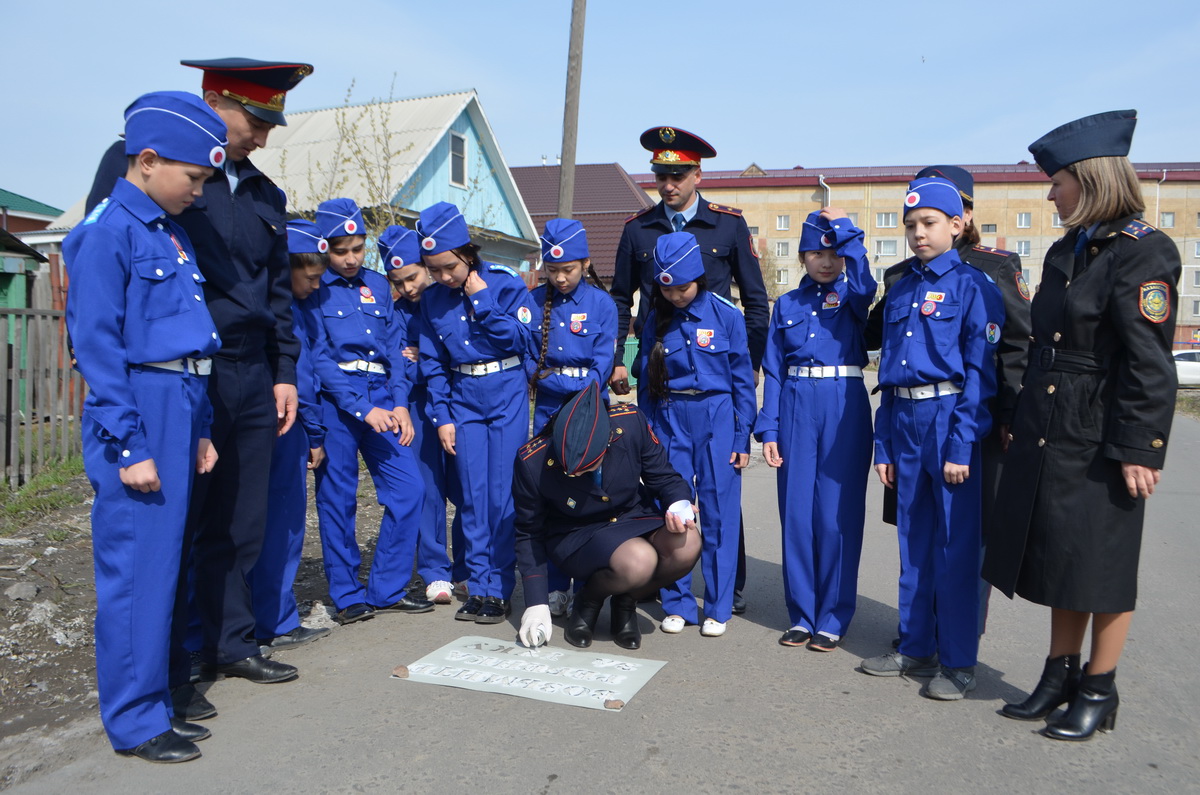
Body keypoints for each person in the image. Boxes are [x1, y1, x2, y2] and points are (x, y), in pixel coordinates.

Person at [85, 58, 314, 697]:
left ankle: (230, 642)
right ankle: (179, 657)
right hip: (179, 374)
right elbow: (110, 270)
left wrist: (284, 369)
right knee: (179, 522)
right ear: (215, 99)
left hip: (250, 372)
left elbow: (275, 294)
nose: (264, 136)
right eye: (257, 119)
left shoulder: (267, 195)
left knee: (244, 518)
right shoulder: (150, 166)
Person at [983, 110, 1180, 740]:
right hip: (1052, 425)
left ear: (1090, 179)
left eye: (1058, 181)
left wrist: (1139, 447)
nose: (1049, 194)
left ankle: (1100, 685)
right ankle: (1057, 674)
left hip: (1103, 430)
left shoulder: (1146, 251)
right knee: (1061, 557)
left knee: (1104, 564)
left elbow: (1150, 364)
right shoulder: (1068, 249)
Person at [66, 91, 226, 763]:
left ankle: (155, 700)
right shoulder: (107, 232)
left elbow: (188, 342)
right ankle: (133, 720)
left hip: (181, 403)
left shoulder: (169, 229)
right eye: (192, 178)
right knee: (136, 570)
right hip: (138, 404)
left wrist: (202, 428)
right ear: (149, 160)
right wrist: (129, 443)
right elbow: (97, 348)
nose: (198, 191)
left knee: (166, 568)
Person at [864, 165, 1032, 641]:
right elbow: (887, 365)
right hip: (906, 421)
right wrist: (885, 443)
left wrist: (1003, 419)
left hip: (960, 421)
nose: (918, 233)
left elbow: (1004, 355)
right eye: (911, 224)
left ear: (961, 221)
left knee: (960, 544)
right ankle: (915, 641)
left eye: (930, 222)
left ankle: (957, 652)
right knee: (913, 542)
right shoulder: (901, 282)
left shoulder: (985, 276)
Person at [609, 127, 767, 614]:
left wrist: (752, 365)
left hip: (717, 376)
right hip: (664, 378)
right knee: (667, 486)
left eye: (677, 175)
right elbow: (621, 297)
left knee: (720, 495)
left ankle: (728, 587)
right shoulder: (639, 229)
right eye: (661, 174)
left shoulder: (727, 226)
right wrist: (618, 357)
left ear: (698, 175)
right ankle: (668, 580)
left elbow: (754, 301)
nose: (668, 183)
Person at [302, 199, 433, 625]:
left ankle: (387, 588)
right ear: (325, 248)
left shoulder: (378, 286)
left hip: (382, 397)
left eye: (358, 248)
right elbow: (319, 357)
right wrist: (360, 408)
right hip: (337, 403)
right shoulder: (314, 288)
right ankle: (347, 593)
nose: (351, 258)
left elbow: (395, 349)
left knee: (409, 489)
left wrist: (399, 403)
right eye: (341, 251)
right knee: (338, 500)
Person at [755, 209, 875, 652]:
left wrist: (847, 232)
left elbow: (866, 283)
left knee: (836, 515)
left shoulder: (854, 295)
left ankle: (833, 615)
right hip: (796, 405)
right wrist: (769, 428)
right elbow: (773, 368)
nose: (826, 261)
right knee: (798, 515)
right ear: (803, 257)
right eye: (816, 253)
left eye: (833, 253)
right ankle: (802, 614)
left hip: (843, 402)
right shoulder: (787, 304)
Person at [415, 201, 537, 623]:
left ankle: (500, 588)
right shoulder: (432, 301)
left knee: (501, 495)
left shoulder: (505, 286)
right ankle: (478, 585)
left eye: (449, 266)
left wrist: (481, 300)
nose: (444, 277)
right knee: (471, 495)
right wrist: (443, 416)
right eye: (434, 270)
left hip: (505, 392)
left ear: (467, 253)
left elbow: (523, 341)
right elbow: (432, 363)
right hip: (462, 397)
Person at [514, 382, 701, 651]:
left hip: (631, 516)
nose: (576, 475)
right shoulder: (532, 460)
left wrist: (679, 504)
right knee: (639, 560)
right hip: (577, 533)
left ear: (608, 441)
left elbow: (664, 477)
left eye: (586, 468)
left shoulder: (630, 423)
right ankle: (588, 600)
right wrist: (536, 603)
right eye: (571, 471)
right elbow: (528, 531)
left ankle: (625, 603)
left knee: (688, 542)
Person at [635, 232, 756, 638]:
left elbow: (743, 383)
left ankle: (719, 606)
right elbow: (646, 384)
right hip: (671, 417)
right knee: (674, 513)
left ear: (699, 278)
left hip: (718, 417)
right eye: (666, 289)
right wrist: (648, 436)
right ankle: (678, 602)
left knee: (720, 514)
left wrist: (741, 439)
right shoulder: (657, 317)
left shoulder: (726, 315)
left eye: (682, 288)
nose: (675, 296)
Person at [247, 220, 332, 652]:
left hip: (257, 421)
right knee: (282, 525)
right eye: (311, 277)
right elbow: (304, 380)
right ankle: (276, 620)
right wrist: (315, 434)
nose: (316, 286)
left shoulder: (264, 302)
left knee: (251, 523)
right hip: (288, 426)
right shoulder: (290, 314)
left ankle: (245, 622)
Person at [382, 225, 462, 605]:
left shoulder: (452, 300)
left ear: (428, 266)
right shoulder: (395, 313)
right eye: (398, 282)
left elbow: (457, 356)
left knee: (465, 486)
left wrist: (423, 356)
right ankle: (435, 571)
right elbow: (398, 365)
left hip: (459, 402)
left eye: (412, 276)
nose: (408, 288)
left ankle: (466, 566)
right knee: (429, 488)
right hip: (415, 406)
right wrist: (417, 360)